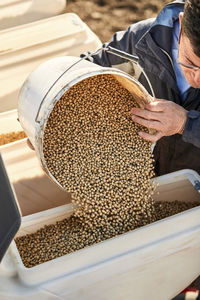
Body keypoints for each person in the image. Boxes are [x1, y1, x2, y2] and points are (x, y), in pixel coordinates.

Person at [81, 0, 200, 176]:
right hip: (144, 170)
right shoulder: (143, 40)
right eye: (190, 63)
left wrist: (185, 124)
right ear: (181, 24)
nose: (197, 80)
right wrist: (47, 113)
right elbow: (89, 68)